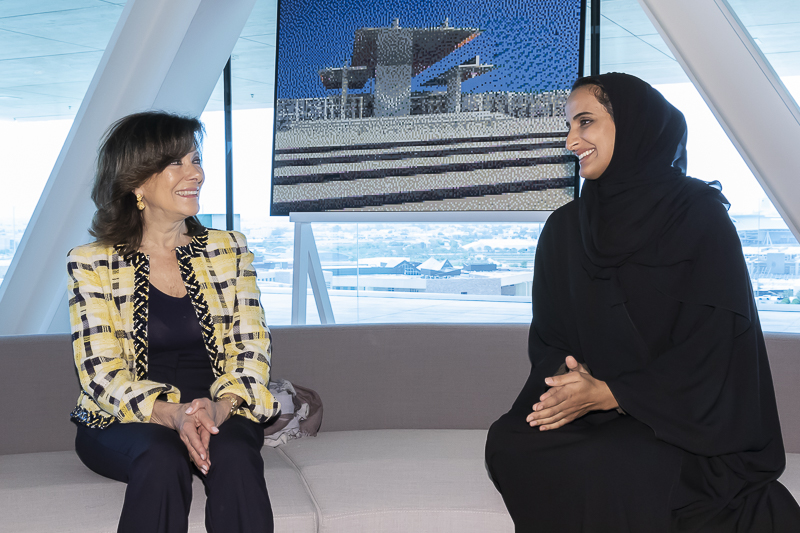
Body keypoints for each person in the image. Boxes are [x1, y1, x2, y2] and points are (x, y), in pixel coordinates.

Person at [484, 73, 800, 532]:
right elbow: (550, 338)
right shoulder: (564, 230)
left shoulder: (697, 215)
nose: (571, 140)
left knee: (615, 461)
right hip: (595, 415)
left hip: (686, 424)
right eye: (569, 126)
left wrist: (616, 393)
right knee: (508, 442)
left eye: (585, 122)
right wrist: (578, 385)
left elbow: (716, 349)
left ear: (632, 125)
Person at [67, 111, 278, 533]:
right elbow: (100, 374)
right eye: (176, 163)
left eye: (195, 159)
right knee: (161, 458)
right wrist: (171, 413)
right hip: (126, 418)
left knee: (235, 456)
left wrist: (219, 407)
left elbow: (252, 351)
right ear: (136, 182)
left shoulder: (228, 249)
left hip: (219, 409)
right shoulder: (93, 262)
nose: (195, 173)